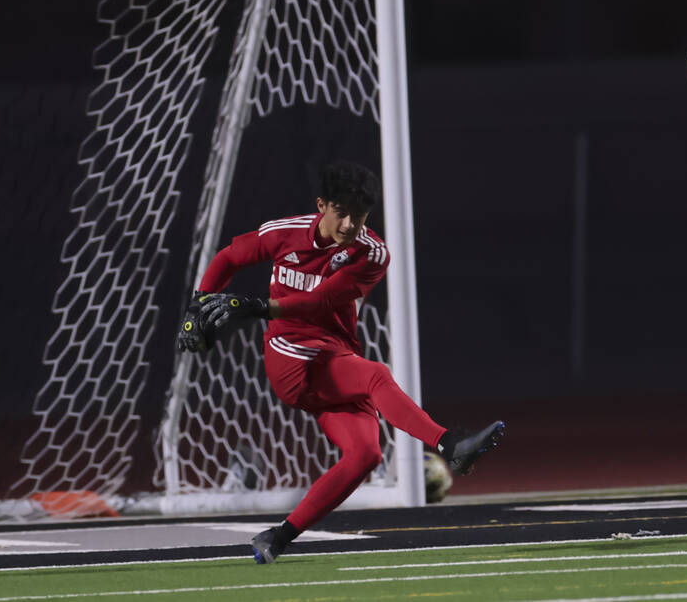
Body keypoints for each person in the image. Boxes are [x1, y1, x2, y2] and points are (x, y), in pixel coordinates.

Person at [186, 160, 504, 564]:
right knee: (376, 375)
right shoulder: (284, 233)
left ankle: (279, 537)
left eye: (362, 215)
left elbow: (321, 300)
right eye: (343, 213)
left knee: (366, 453)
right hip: (291, 357)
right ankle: (450, 443)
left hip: (333, 357)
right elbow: (229, 258)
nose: (351, 224)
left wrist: (255, 306)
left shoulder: (372, 254)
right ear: (322, 205)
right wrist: (196, 308)